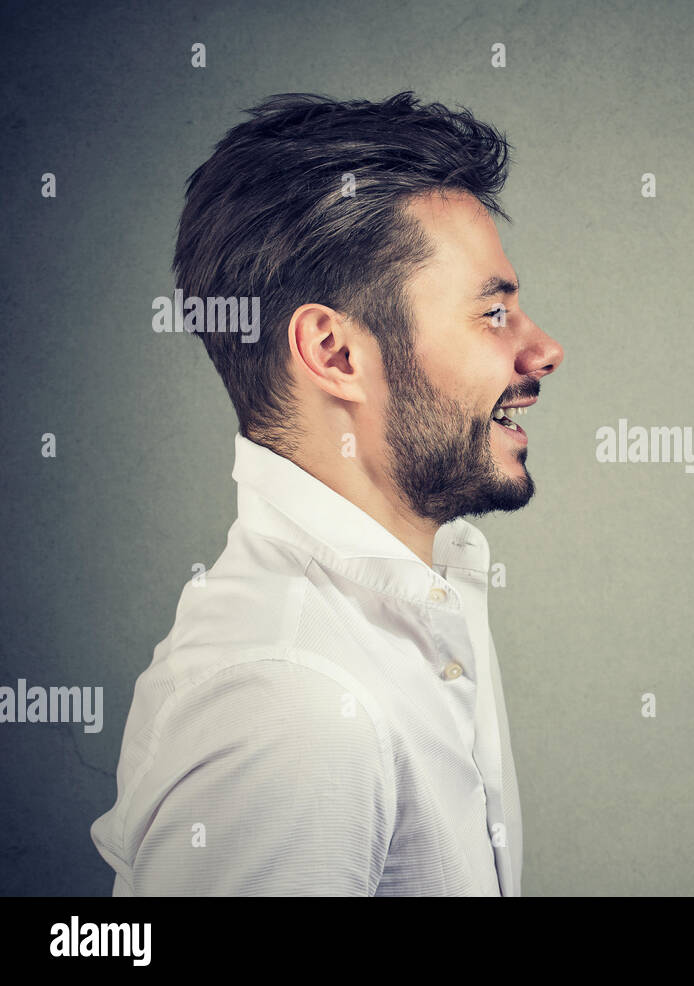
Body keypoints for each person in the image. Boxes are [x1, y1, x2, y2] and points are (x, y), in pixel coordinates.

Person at [90, 92, 563, 896]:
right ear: (336, 352)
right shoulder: (294, 706)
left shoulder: (415, 607)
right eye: (493, 313)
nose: (543, 350)